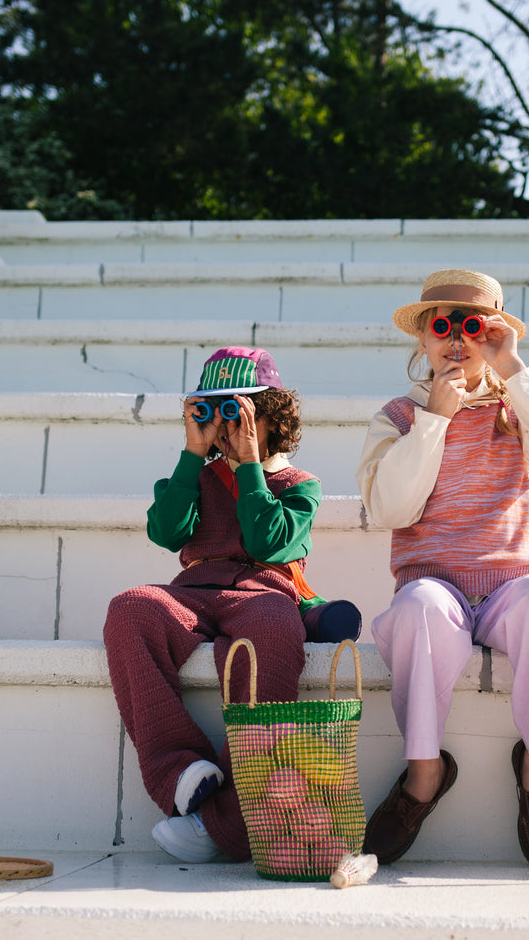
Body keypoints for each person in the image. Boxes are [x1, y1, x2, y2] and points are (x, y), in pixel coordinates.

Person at [356, 268, 529, 868]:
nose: (456, 339)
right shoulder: (399, 417)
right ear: (423, 341)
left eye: (473, 327)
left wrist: (513, 370)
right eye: (442, 327)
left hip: (511, 586)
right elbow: (390, 507)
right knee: (417, 611)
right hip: (433, 585)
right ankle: (425, 772)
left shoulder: (516, 407)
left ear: (493, 333)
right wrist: (434, 418)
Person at [103, 346, 359, 864]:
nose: (226, 427)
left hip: (265, 592)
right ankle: (180, 773)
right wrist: (194, 454)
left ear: (272, 417)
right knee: (130, 607)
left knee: (273, 626)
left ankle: (234, 819)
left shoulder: (300, 485)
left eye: (239, 412)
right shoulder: (195, 474)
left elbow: (269, 543)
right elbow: (166, 531)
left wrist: (248, 468)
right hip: (195, 590)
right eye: (213, 411)